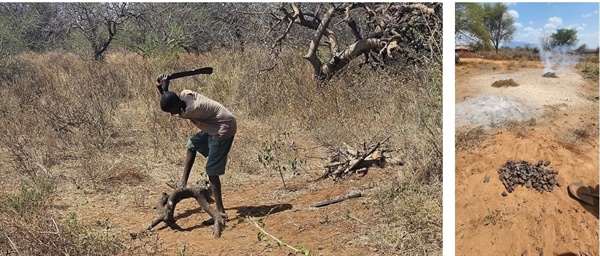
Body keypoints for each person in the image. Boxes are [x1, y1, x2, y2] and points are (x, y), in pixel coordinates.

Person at [155, 74, 236, 223]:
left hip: (223, 127)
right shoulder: (186, 94)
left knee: (211, 172)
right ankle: (182, 183)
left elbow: (178, 109)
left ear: (175, 106)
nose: (172, 114)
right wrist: (164, 90)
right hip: (213, 124)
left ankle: (220, 213)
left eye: (171, 110)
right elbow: (172, 101)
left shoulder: (192, 109)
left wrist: (164, 89)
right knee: (192, 145)